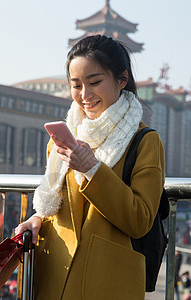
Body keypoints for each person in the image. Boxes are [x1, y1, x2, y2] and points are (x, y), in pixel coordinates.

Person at [15, 34, 165, 300]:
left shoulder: (144, 141)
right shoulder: (62, 139)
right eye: (76, 85)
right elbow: (57, 208)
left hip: (106, 280)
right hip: (53, 275)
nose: (84, 95)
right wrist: (37, 219)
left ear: (122, 80)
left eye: (94, 82)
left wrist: (93, 170)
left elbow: (141, 219)